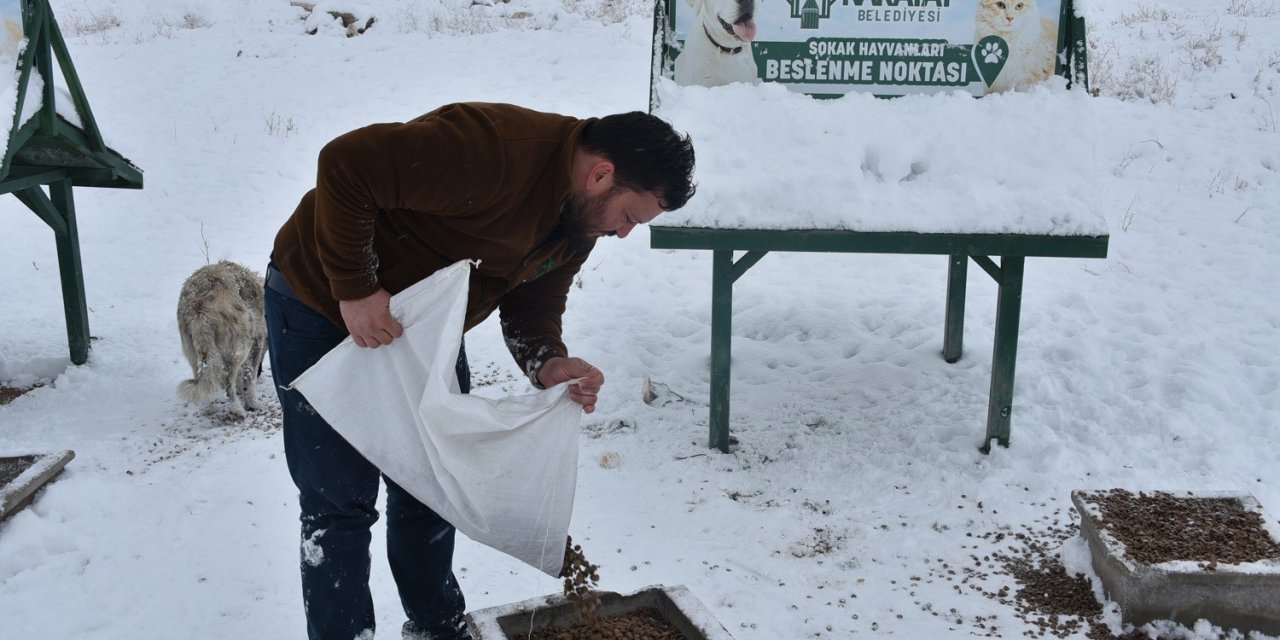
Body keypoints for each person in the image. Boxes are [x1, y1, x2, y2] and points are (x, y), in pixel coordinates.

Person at [263, 102, 696, 640]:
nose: (624, 233)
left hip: (420, 327)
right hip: (320, 305)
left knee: (434, 485)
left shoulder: (578, 222)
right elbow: (346, 164)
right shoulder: (493, 151)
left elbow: (534, 301)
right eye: (629, 217)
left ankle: (437, 629)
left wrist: (547, 361)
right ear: (601, 175)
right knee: (338, 503)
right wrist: (354, 287)